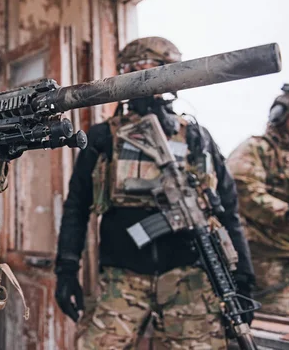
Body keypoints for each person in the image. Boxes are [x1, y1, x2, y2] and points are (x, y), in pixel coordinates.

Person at [54, 37, 255, 349]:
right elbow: (77, 208)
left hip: (189, 278)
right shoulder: (104, 137)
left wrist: (243, 276)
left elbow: (228, 210)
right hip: (123, 279)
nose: (140, 77)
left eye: (150, 69)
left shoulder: (197, 138)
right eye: (129, 70)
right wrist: (66, 270)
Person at [227, 83, 289, 320]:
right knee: (272, 334)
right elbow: (243, 192)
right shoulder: (256, 148)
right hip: (272, 263)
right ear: (280, 116)